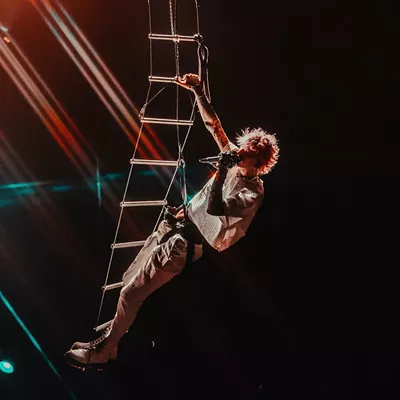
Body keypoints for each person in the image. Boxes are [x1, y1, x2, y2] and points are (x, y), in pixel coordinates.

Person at [64, 73, 280, 370]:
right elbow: (213, 125)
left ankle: (103, 350)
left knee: (132, 293)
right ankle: (111, 340)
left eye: (247, 153)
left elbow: (217, 207)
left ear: (258, 162)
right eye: (242, 147)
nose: (238, 152)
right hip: (174, 228)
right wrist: (198, 92)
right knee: (129, 279)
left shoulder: (252, 192)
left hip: (183, 246)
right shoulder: (233, 158)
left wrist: (221, 168)